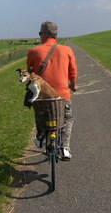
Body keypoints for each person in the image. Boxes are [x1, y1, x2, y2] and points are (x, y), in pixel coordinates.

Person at [27, 21, 78, 160]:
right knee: (68, 118)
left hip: (42, 96)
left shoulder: (33, 51)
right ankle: (65, 148)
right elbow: (72, 72)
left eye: (39, 34)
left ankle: (40, 135)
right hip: (62, 96)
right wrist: (73, 85)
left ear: (44, 34)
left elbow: (30, 73)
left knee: (39, 114)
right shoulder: (66, 50)